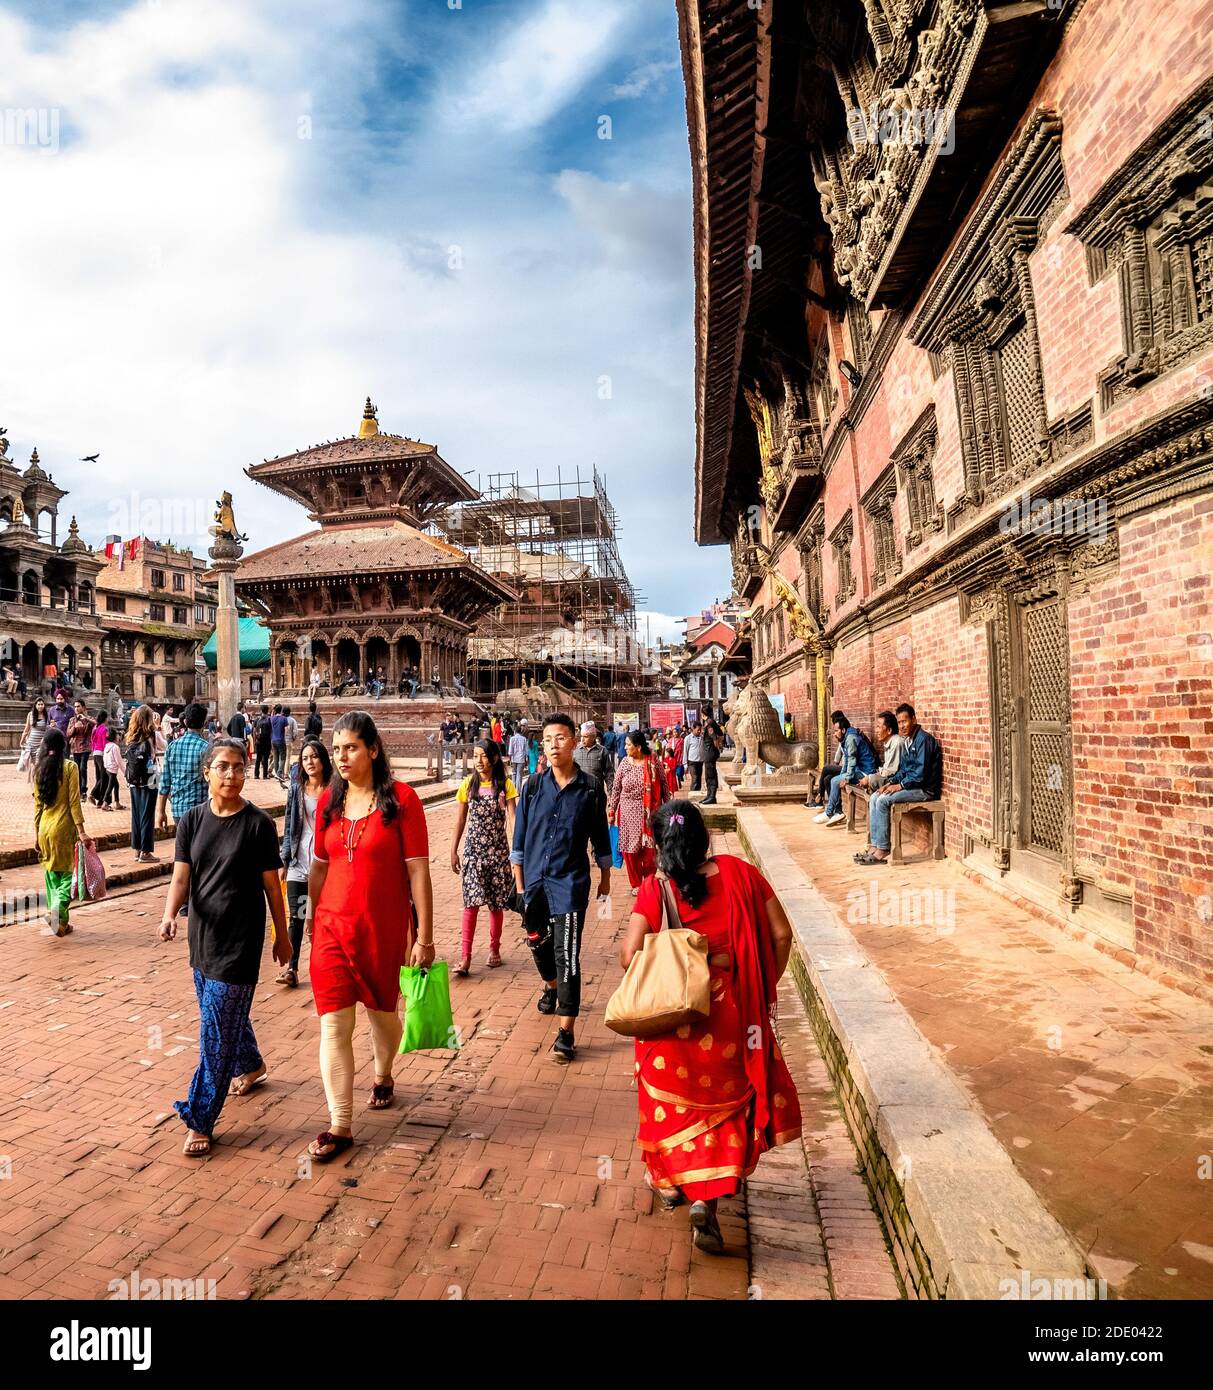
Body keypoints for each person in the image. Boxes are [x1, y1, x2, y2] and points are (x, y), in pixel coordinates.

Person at [619, 800, 802, 1253]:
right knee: (722, 1112)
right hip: (730, 1015)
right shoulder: (742, 875)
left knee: (671, 1107)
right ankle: (709, 1204)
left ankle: (671, 1183)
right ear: (703, 838)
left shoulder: (653, 889)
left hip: (671, 1022)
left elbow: (629, 956)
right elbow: (781, 935)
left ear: (660, 845)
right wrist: (759, 982)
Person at [304, 711, 434, 1162]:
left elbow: (418, 871)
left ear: (373, 750)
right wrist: (309, 916)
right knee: (334, 1023)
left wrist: (425, 937)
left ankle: (383, 1071)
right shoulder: (328, 804)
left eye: (351, 747)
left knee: (383, 1014)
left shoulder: (403, 801)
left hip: (384, 927)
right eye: (336, 749)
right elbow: (319, 864)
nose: (341, 756)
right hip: (332, 927)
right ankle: (340, 1124)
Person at [158, 737, 290, 1158]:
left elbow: (273, 886)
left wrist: (282, 936)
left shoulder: (258, 825)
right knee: (221, 1018)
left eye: (238, 766)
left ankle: (200, 1118)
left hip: (240, 944)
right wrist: (168, 914)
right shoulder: (193, 821)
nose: (231, 774)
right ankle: (251, 1063)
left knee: (214, 1033)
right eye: (222, 766)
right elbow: (182, 877)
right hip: (202, 940)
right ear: (207, 772)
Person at [512, 713, 611, 1064]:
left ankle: (566, 1031)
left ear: (573, 742)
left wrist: (605, 876)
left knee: (566, 953)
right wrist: (521, 887)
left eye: (561, 738)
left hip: (570, 883)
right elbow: (519, 842)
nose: (554, 745)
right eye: (549, 739)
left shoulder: (589, 789)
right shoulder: (533, 787)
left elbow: (600, 834)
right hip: (535, 882)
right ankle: (551, 987)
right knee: (537, 942)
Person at [449, 739, 517, 976]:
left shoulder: (505, 786)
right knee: (471, 904)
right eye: (475, 756)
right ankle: (465, 957)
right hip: (473, 853)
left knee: (495, 904)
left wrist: (517, 851)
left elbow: (512, 818)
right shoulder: (467, 785)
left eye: (483, 756)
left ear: (495, 758)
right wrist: (453, 850)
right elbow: (460, 821)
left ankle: (494, 949)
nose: (478, 761)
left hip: (498, 853)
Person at [857, 704, 943, 865]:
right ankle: (875, 845)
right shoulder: (909, 740)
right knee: (876, 796)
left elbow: (920, 775)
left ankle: (883, 848)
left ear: (914, 719)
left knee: (883, 801)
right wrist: (890, 783)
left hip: (924, 790)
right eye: (899, 722)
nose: (902, 725)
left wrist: (900, 786)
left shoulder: (923, 740)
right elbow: (903, 770)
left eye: (905, 721)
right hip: (912, 786)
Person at [278, 737, 333, 988]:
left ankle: (323, 966)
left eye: (314, 757)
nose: (310, 762)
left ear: (322, 759)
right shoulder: (297, 788)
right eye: (305, 758)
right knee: (298, 916)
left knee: (320, 916)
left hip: (325, 865)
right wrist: (285, 859)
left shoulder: (335, 789)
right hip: (299, 862)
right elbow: (289, 823)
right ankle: (292, 967)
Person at [33, 728, 96, 938]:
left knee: (52, 876)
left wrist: (36, 835)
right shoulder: (70, 767)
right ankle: (57, 911)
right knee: (70, 876)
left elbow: (37, 806)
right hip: (64, 828)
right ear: (64, 746)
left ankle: (60, 924)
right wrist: (82, 831)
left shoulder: (39, 769)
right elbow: (74, 803)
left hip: (44, 828)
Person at [607, 729, 668, 894]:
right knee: (630, 851)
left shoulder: (653, 761)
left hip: (650, 814)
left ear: (638, 747)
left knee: (649, 852)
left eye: (628, 745)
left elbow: (663, 784)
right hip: (628, 813)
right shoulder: (625, 763)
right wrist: (612, 810)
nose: (625, 748)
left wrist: (668, 808)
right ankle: (636, 884)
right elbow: (616, 788)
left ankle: (648, 882)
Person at [813, 712, 878, 827]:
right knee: (831, 779)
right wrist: (843, 775)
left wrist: (847, 778)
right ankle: (835, 812)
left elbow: (852, 759)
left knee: (834, 781)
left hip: (865, 772)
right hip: (858, 770)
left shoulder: (850, 738)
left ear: (843, 730)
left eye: (836, 731)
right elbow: (847, 760)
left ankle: (829, 813)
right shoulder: (847, 737)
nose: (834, 734)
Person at [157, 702, 210, 831]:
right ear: (204, 723)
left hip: (178, 809)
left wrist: (161, 812)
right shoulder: (207, 748)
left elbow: (165, 783)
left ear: (185, 722)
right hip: (199, 809)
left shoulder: (172, 746)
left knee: (183, 847)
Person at [125, 705, 160, 863]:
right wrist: (158, 728)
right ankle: (145, 852)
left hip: (133, 781)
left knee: (137, 815)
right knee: (147, 814)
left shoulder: (131, 737)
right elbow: (164, 745)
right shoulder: (150, 736)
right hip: (150, 780)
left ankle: (137, 849)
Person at [573, 720, 614, 797]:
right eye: (581, 736)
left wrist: (610, 792)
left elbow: (609, 773)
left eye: (585, 737)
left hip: (597, 795)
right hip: (579, 795)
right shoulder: (575, 751)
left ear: (593, 737)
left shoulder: (602, 751)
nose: (582, 739)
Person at [65, 698, 95, 800]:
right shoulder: (72, 720)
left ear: (83, 707)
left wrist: (84, 719)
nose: (76, 708)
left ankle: (83, 791)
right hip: (75, 747)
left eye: (78, 706)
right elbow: (68, 733)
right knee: (77, 769)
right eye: (75, 706)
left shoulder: (89, 718)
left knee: (83, 768)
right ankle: (77, 790)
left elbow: (95, 724)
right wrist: (74, 727)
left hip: (85, 747)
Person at [20, 696, 51, 784]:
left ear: (44, 705)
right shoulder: (30, 714)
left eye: (42, 704)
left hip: (41, 744)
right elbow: (27, 728)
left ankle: (40, 783)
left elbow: (48, 729)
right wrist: (21, 740)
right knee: (33, 765)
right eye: (39, 704)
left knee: (39, 764)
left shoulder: (47, 715)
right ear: (35, 705)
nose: (40, 706)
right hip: (31, 743)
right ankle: (35, 786)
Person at [88, 712, 109, 807]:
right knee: (104, 776)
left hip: (96, 752)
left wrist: (93, 750)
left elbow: (92, 740)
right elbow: (105, 743)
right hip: (101, 753)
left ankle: (100, 801)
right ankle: (93, 794)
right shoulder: (104, 729)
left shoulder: (95, 727)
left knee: (99, 777)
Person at [101, 725, 124, 811]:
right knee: (110, 787)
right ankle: (105, 804)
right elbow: (119, 761)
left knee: (116, 785)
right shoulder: (115, 747)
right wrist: (125, 772)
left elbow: (104, 757)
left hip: (108, 768)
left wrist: (106, 766)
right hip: (113, 770)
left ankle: (117, 803)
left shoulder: (107, 746)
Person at [701, 718, 723, 805]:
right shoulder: (712, 722)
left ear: (703, 714)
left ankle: (712, 797)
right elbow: (720, 733)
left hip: (710, 752)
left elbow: (714, 737)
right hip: (708, 752)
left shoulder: (709, 724)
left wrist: (717, 747)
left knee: (711, 775)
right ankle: (709, 795)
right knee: (708, 775)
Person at [683, 722, 705, 793]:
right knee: (694, 778)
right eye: (698, 729)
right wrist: (685, 764)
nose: (699, 731)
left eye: (700, 729)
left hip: (700, 762)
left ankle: (697, 793)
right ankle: (692, 793)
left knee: (699, 779)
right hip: (692, 762)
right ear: (693, 728)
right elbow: (685, 751)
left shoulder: (702, 737)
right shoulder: (688, 738)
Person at [253, 703, 273, 780]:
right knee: (266, 758)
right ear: (267, 711)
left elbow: (254, 731)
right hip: (267, 741)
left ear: (261, 711)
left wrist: (255, 740)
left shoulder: (257, 719)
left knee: (258, 758)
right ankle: (265, 775)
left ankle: (256, 774)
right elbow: (271, 731)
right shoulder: (269, 719)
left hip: (259, 741)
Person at [507, 722, 529, 789]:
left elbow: (510, 751)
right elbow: (526, 751)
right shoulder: (524, 739)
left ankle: (513, 789)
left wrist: (510, 759)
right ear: (520, 731)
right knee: (519, 774)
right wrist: (526, 760)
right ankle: (518, 791)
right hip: (521, 759)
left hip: (514, 759)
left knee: (514, 773)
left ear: (515, 731)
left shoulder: (512, 739)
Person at [269, 704, 289, 779]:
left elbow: (271, 717)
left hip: (273, 740)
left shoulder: (272, 718)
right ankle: (280, 772)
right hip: (281, 739)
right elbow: (286, 730)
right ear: (281, 710)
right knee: (283, 757)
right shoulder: (284, 718)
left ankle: (277, 772)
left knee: (276, 757)